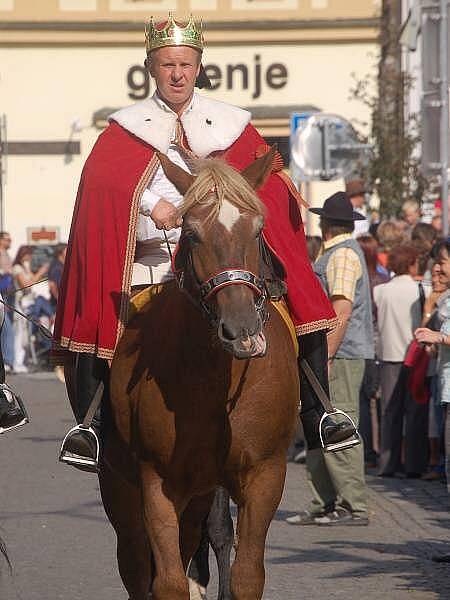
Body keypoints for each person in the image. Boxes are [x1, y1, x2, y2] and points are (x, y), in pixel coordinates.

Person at [54, 14, 355, 472]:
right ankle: (93, 427)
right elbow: (103, 183)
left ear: (198, 67)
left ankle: (319, 413)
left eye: (186, 64)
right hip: (150, 262)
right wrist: (152, 205)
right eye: (167, 64)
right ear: (151, 68)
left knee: (296, 294)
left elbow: (269, 179)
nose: (177, 73)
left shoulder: (230, 124)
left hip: (220, 257)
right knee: (101, 314)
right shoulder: (124, 130)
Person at [287, 191, 373, 526]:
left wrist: (327, 356)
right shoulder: (336, 252)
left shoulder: (342, 256)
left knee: (339, 425)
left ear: (325, 225)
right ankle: (324, 502)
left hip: (342, 354)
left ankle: (354, 506)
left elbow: (342, 310)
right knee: (319, 424)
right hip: (334, 353)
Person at [374, 244, 426, 476]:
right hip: (413, 356)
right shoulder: (419, 289)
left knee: (389, 413)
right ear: (412, 263)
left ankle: (387, 463)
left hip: (388, 355)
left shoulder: (381, 291)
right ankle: (414, 464)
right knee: (414, 412)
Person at [12, 246, 48, 373]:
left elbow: (33, 280)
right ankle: (17, 362)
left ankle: (23, 361)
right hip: (20, 303)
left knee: (26, 335)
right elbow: (26, 285)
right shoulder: (17, 268)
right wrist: (41, 272)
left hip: (28, 303)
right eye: (29, 255)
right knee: (19, 334)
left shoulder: (25, 267)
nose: (31, 257)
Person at [0, 232, 15, 372]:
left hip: (7, 295)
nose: (10, 241)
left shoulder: (6, 253)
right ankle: (8, 361)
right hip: (2, 294)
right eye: (7, 239)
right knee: (7, 329)